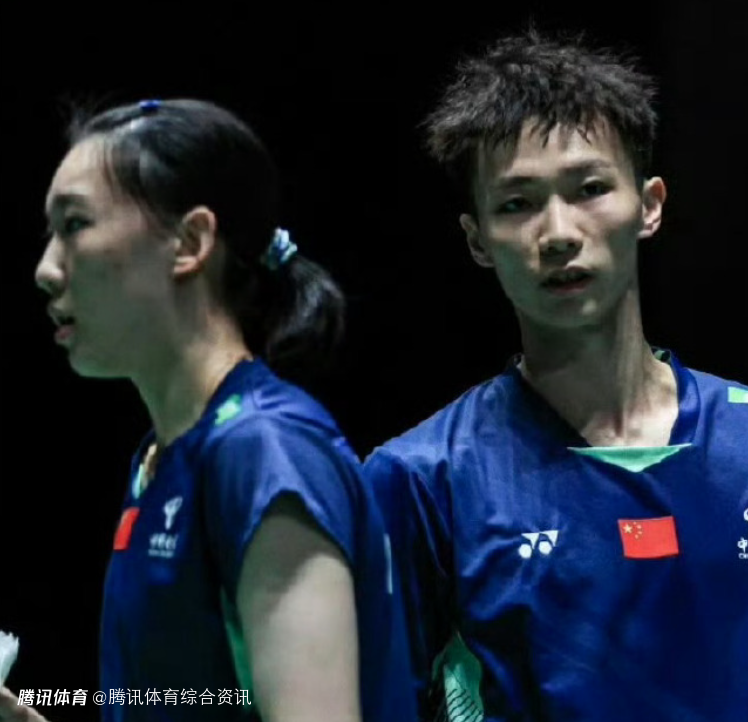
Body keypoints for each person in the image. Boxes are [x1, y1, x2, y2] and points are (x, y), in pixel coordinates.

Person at [363, 31, 748, 722]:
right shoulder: (420, 479)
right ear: (477, 239)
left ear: (650, 204)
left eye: (590, 189)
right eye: (517, 204)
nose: (559, 232)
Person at [0, 98, 415, 722]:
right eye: (49, 234)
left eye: (76, 225)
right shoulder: (158, 457)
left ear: (190, 242)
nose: (45, 270)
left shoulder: (266, 452)